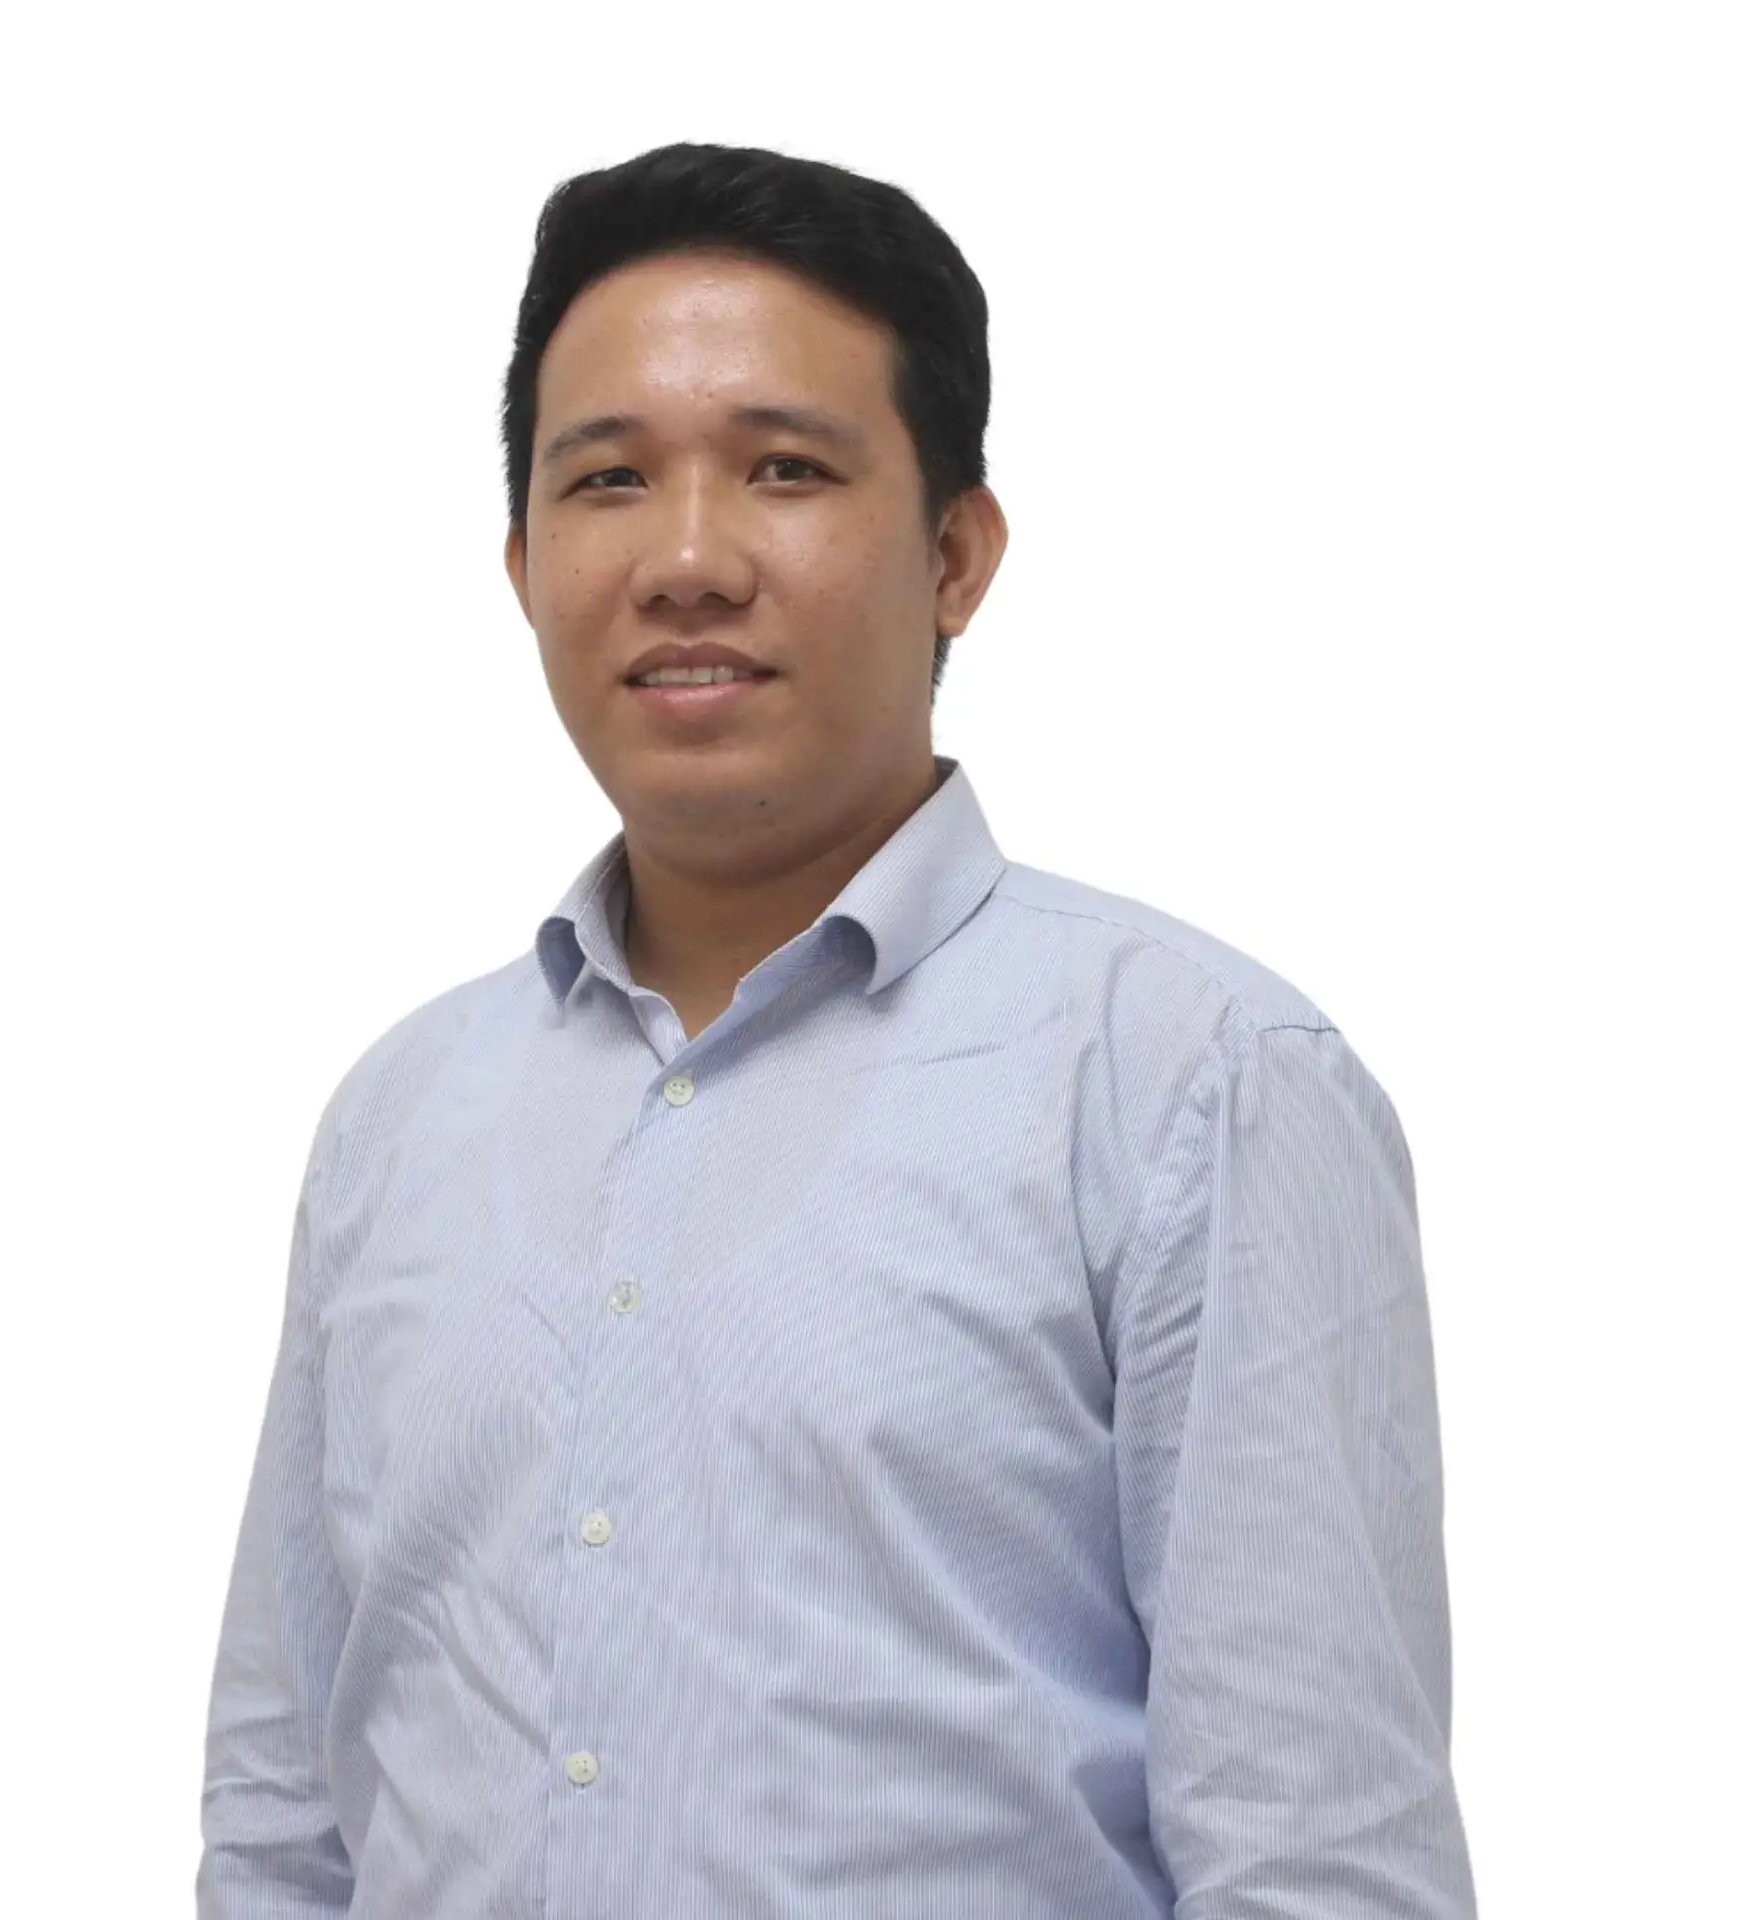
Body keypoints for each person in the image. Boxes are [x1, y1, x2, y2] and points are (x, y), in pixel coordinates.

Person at [196, 140, 1478, 1918]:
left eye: (785, 469)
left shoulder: (1197, 1086)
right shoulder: (401, 1118)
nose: (690, 558)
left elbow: (1319, 1864)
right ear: (521, 563)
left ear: (957, 553)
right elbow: (288, 1824)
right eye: (609, 481)